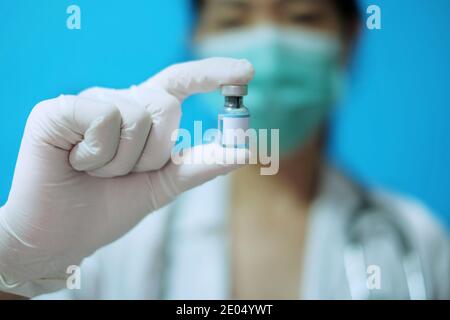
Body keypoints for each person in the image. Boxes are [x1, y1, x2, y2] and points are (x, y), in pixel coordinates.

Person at [0, 0, 449, 300]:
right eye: (234, 20)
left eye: (301, 17)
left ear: (349, 40)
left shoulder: (415, 241)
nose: (269, 47)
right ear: (197, 42)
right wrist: (17, 264)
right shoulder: (115, 232)